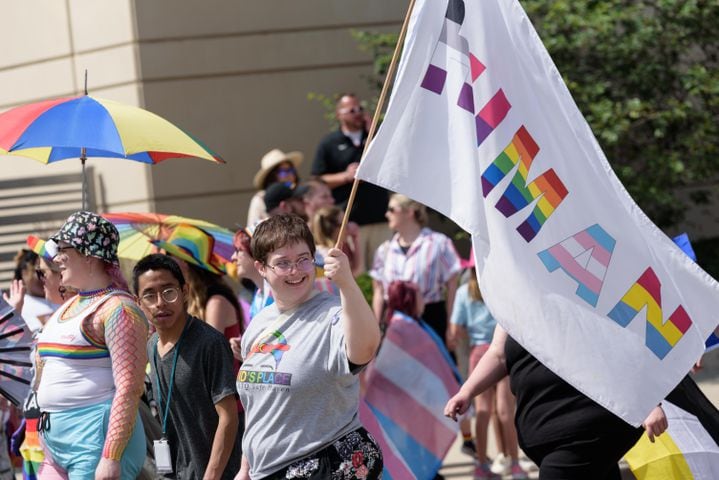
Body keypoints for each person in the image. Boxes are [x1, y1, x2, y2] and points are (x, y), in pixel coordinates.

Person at [236, 214, 382, 479]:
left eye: (304, 259)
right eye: (283, 263)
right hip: (265, 472)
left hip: (325, 466)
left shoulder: (332, 315)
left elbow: (365, 348)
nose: (296, 270)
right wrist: (245, 469)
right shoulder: (259, 323)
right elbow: (257, 406)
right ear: (261, 268)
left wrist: (347, 284)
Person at [444, 325, 668, 480]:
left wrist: (645, 399)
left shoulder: (576, 277)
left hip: (586, 429)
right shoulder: (512, 292)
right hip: (551, 434)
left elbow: (620, 339)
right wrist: (467, 391)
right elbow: (498, 355)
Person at [34, 211, 148, 479]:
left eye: (64, 249)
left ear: (89, 255)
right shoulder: (71, 305)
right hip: (56, 442)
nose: (57, 258)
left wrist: (111, 456)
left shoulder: (119, 309)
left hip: (96, 441)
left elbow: (130, 389)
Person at [134, 254, 241, 478]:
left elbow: (229, 416)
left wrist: (211, 475)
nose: (160, 302)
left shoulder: (209, 342)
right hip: (177, 472)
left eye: (168, 291)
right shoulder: (152, 345)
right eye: (149, 295)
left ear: (184, 292)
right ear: (139, 303)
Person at [448, 265, 526, 479]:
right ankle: (516, 464)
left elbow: (455, 330)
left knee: (481, 411)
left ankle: (482, 465)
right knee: (505, 410)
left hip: (479, 353)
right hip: (503, 350)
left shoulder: (464, 292)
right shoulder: (498, 286)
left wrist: (472, 331)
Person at [311, 93, 390, 270]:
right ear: (339, 114)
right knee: (356, 272)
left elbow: (393, 161)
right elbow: (318, 179)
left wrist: (375, 133)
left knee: (383, 271)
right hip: (350, 223)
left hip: (380, 218)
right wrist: (345, 176)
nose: (358, 113)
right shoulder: (329, 143)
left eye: (360, 109)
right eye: (352, 110)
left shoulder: (374, 138)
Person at [371, 193, 461, 344]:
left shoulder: (439, 243)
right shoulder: (384, 250)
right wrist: (376, 327)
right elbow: (379, 291)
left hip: (431, 319)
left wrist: (451, 325)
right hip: (394, 322)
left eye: (392, 209)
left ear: (410, 212)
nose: (387, 214)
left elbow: (452, 287)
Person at [247, 149, 302, 227]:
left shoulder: (299, 192)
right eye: (283, 172)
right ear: (271, 176)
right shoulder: (259, 199)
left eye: (291, 170)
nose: (290, 175)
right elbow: (253, 229)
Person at [311, 205, 362, 277]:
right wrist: (356, 239)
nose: (349, 228)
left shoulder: (317, 250)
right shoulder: (330, 254)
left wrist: (355, 239)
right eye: (345, 224)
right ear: (332, 228)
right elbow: (354, 273)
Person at [13, 249, 56, 332]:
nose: (44, 277)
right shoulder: (20, 305)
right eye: (40, 272)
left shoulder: (64, 298)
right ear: (24, 273)